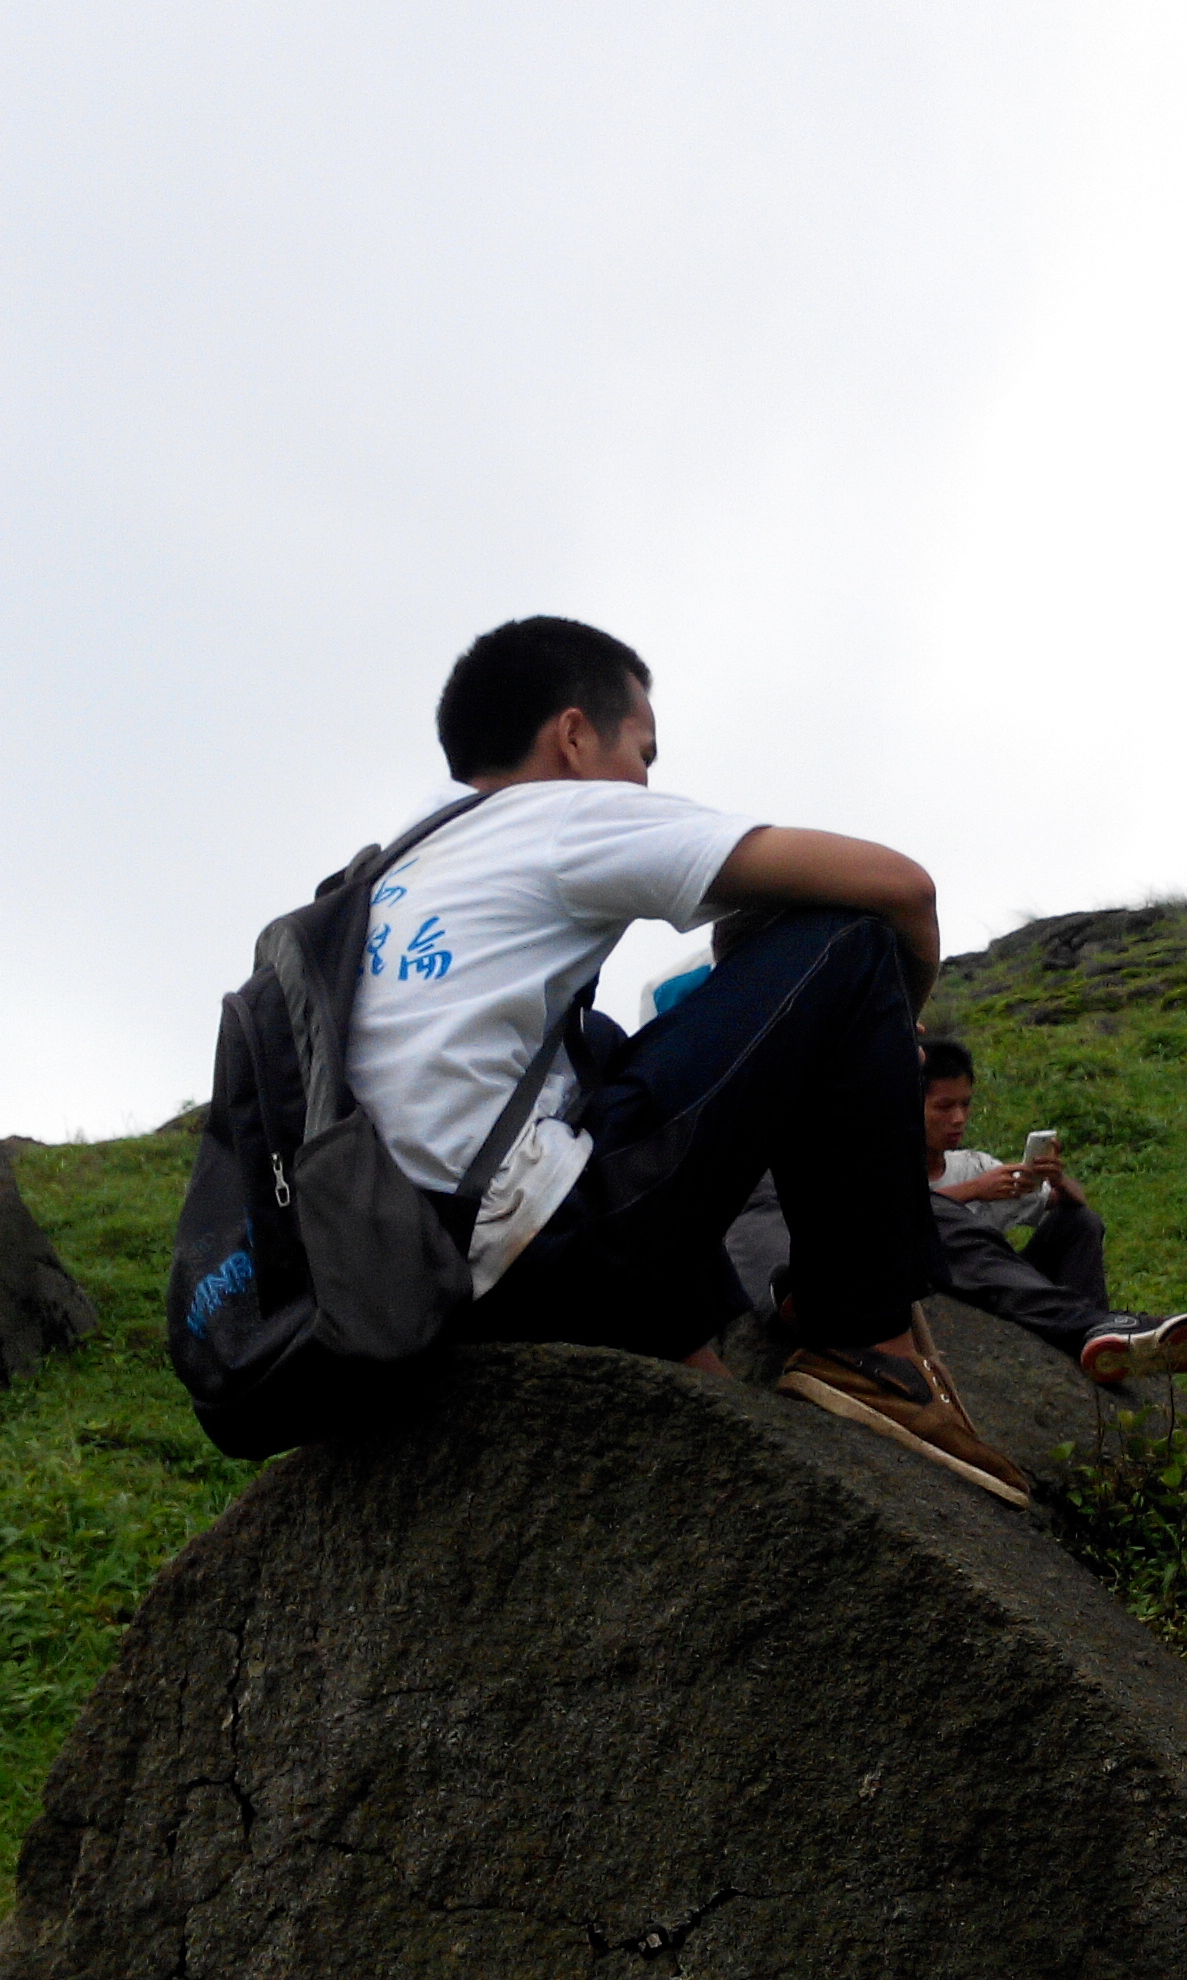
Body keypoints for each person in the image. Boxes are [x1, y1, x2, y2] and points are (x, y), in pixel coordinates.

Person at [344, 614, 1025, 1502]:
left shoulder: (391, 866)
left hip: (407, 1276)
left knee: (595, 1050)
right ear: (574, 736)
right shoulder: (555, 813)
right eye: (643, 753)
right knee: (850, 937)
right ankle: (870, 1345)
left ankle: (697, 1370)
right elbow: (901, 886)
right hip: (532, 1257)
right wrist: (894, 1019)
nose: (644, 781)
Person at [729, 1035, 1187, 1383]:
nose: (958, 1119)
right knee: (924, 1217)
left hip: (970, 1270)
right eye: (944, 1107)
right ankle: (1091, 1326)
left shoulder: (958, 1163)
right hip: (880, 1273)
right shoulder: (806, 1146)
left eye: (964, 1106)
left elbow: (1068, 1209)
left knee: (1066, 1224)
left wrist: (1053, 1177)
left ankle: (1097, 1328)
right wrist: (972, 1193)